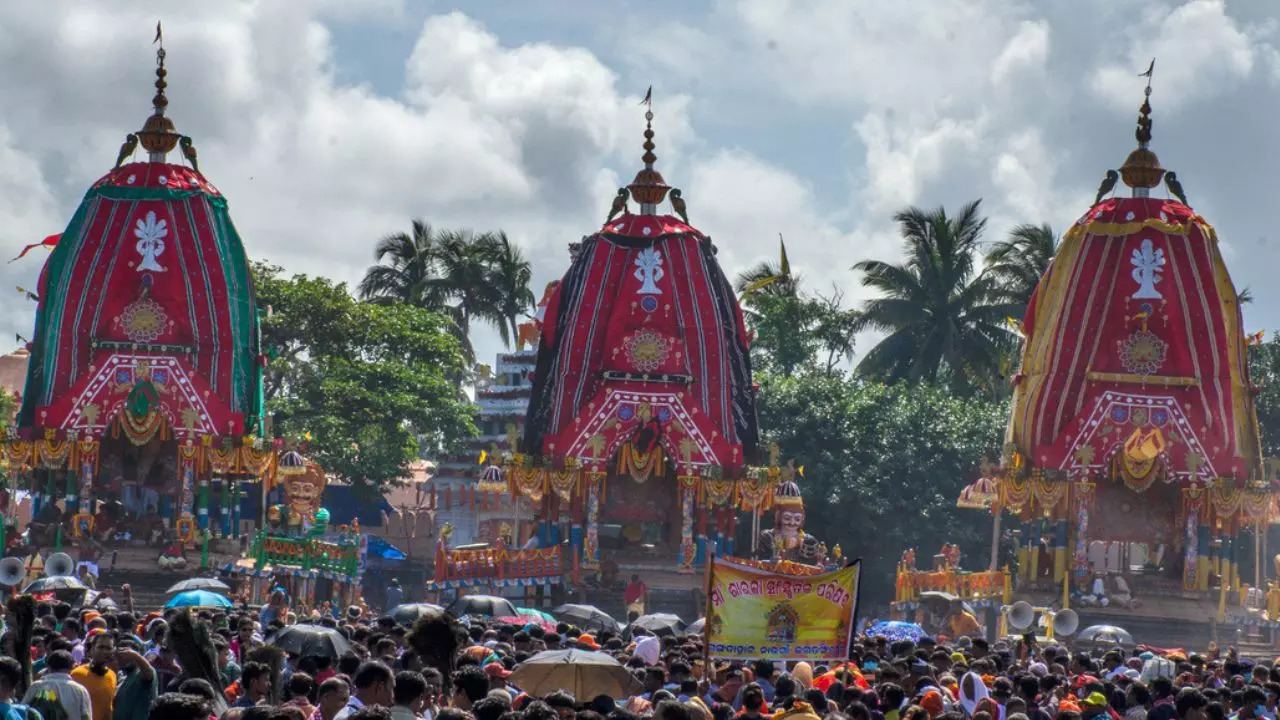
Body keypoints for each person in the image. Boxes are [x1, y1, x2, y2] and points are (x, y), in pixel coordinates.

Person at [23, 649, 91, 720]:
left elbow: (23, 712)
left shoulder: (36, 686)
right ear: (72, 668)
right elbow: (86, 717)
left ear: (48, 667)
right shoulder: (80, 690)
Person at [70, 631, 117, 720]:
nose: (104, 651)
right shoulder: (77, 674)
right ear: (92, 649)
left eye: (108, 648)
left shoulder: (112, 675)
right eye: (101, 647)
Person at [113, 640, 157, 720]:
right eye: (121, 656)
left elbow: (148, 674)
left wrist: (134, 656)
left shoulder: (141, 672)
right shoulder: (123, 677)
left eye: (127, 655)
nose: (125, 658)